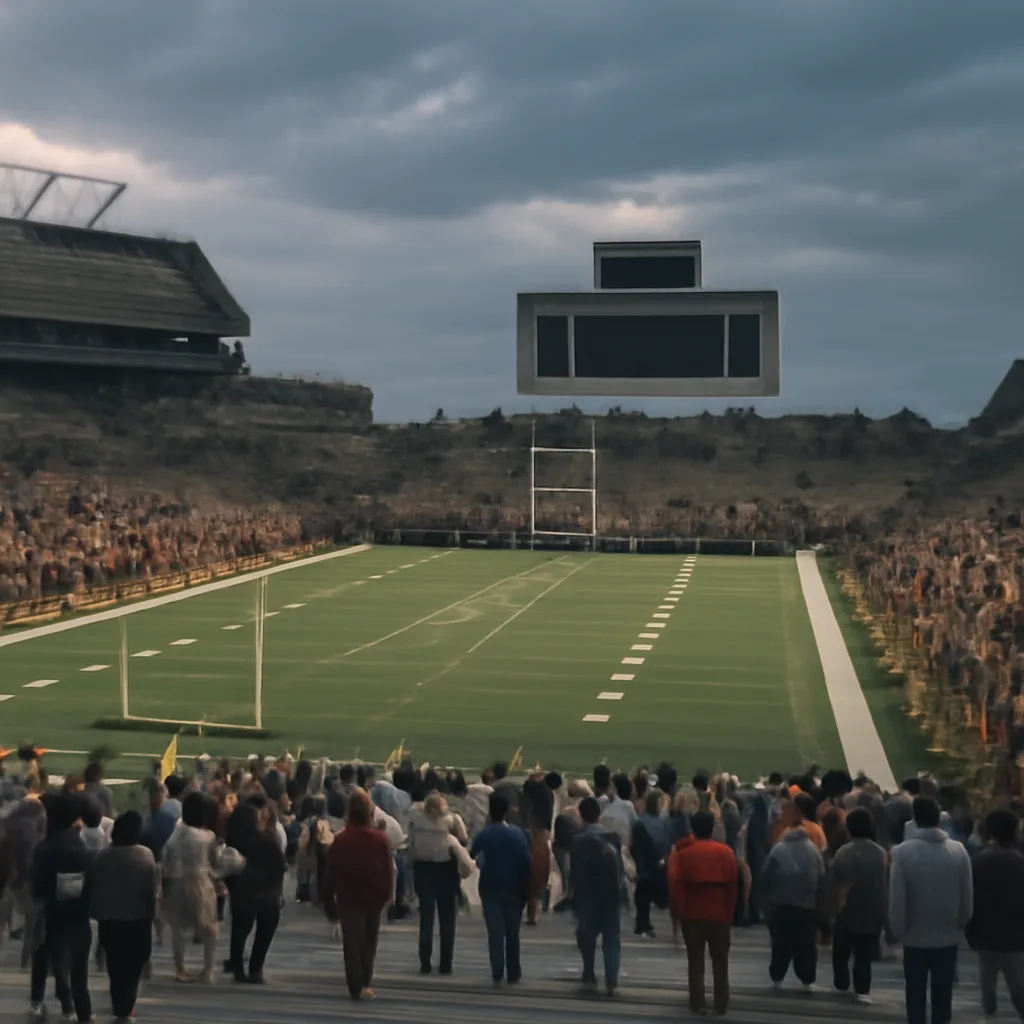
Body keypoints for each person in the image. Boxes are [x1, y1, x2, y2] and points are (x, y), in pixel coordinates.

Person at [889, 796, 973, 1024]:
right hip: (947, 935)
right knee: (943, 996)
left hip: (914, 936)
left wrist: (898, 929)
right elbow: (967, 895)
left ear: (915, 818)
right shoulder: (958, 851)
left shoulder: (903, 852)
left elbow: (898, 897)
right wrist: (962, 923)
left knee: (915, 995)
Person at [161, 791, 243, 983]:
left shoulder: (176, 833)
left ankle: (180, 968)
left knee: (178, 928)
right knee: (209, 929)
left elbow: (166, 857)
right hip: (201, 884)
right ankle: (207, 970)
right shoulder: (208, 837)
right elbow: (217, 861)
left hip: (177, 883)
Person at [321, 788, 393, 1001]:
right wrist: (387, 894)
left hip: (348, 898)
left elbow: (330, 873)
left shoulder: (341, 840)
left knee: (352, 943)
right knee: (370, 942)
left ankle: (356, 985)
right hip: (374, 896)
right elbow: (388, 870)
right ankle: (366, 982)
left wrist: (328, 902)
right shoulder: (380, 839)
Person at [30, 793, 94, 1023]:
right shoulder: (82, 847)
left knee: (55, 959)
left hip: (53, 914)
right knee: (79, 969)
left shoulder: (44, 849)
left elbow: (36, 887)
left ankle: (62, 1005)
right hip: (79, 914)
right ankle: (81, 1010)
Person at [90, 810, 159, 1023]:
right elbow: (151, 890)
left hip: (111, 919)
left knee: (115, 965)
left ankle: (120, 1004)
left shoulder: (103, 856)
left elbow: (95, 887)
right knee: (133, 967)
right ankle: (126, 1006)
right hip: (138, 920)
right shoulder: (145, 855)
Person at [668, 809, 738, 1016]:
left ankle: (698, 1002)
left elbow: (676, 884)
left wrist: (680, 911)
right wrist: (729, 912)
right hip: (719, 911)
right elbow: (733, 886)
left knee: (695, 961)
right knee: (720, 960)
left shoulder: (684, 854)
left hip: (693, 911)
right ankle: (721, 1002)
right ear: (712, 828)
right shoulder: (726, 853)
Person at [965, 808, 1024, 1020]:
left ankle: (990, 1013)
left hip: (985, 932)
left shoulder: (978, 860)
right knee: (1017, 983)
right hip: (1016, 934)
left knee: (987, 980)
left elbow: (970, 896)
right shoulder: (1019, 861)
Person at [759, 807, 825, 991]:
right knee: (806, 945)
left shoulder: (779, 849)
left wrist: (765, 901)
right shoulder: (814, 851)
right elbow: (821, 877)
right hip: (807, 906)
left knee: (781, 943)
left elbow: (765, 877)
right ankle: (807, 980)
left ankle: (777, 976)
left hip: (781, 904)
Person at [826, 806, 888, 1003]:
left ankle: (841, 983)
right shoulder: (880, 853)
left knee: (841, 952)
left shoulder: (844, 852)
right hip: (872, 910)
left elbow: (835, 884)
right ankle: (862, 989)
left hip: (847, 911)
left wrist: (831, 910)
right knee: (864, 956)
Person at [471, 793, 532, 985]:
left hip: (490, 886)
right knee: (513, 932)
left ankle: (497, 970)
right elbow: (526, 862)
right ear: (507, 812)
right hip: (514, 887)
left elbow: (471, 855)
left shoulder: (484, 834)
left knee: (495, 933)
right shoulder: (518, 833)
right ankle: (514, 971)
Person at [224, 800, 287, 983]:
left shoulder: (231, 843)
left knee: (239, 932)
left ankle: (237, 968)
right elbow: (279, 865)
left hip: (241, 894)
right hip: (267, 894)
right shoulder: (266, 840)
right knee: (264, 932)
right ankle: (256, 968)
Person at [407, 791, 466, 975]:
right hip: (446, 870)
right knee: (448, 920)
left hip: (423, 870)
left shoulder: (416, 820)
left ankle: (425, 962)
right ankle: (446, 963)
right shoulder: (452, 820)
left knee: (426, 918)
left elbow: (410, 844)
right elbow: (463, 838)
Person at [570, 796, 623, 996]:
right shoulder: (612, 838)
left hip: (586, 895)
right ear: (599, 815)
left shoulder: (577, 840)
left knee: (587, 937)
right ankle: (611, 979)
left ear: (582, 815)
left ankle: (589, 975)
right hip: (610, 894)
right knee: (612, 938)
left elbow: (573, 871)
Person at [632, 788, 671, 938]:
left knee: (643, 896)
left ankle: (642, 923)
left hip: (645, 864)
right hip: (657, 863)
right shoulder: (663, 821)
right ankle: (643, 923)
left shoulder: (640, 821)